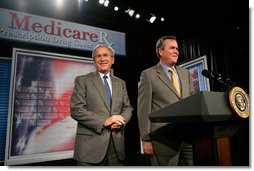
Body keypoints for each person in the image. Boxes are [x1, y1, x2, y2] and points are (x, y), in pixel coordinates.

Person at [70, 44, 132, 166]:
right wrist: (105, 121)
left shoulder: (121, 83)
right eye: (98, 56)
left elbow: (127, 108)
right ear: (94, 61)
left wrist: (120, 120)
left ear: (113, 59)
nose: (102, 59)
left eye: (105, 55)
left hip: (116, 146)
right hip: (89, 149)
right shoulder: (82, 80)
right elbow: (76, 109)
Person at [137, 36, 195, 166]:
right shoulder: (148, 75)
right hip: (163, 139)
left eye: (177, 49)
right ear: (160, 51)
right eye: (172, 48)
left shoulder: (186, 73)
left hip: (187, 137)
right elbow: (143, 109)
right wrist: (145, 139)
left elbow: (192, 102)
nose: (176, 51)